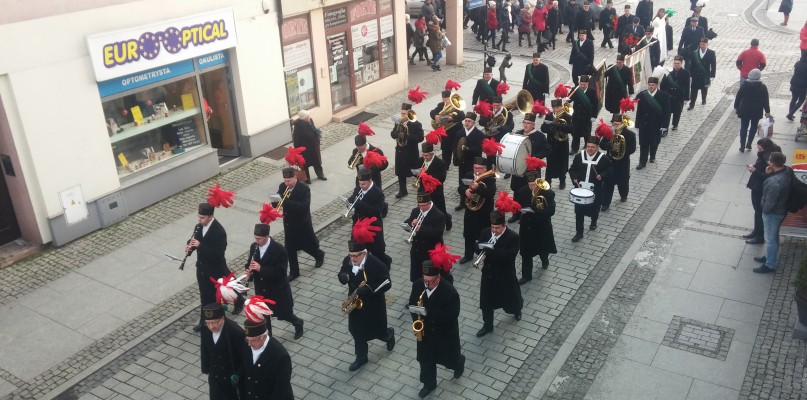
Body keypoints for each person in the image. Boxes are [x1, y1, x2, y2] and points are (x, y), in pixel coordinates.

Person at [408, 261, 465, 398]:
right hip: (425, 333)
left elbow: (452, 314)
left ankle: (459, 363)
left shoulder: (450, 292)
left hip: (444, 334)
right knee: (426, 359)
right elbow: (411, 304)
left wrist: (429, 313)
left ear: (438, 278)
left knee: (449, 359)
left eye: (429, 281)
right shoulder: (418, 285)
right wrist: (417, 320)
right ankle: (429, 384)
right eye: (425, 280)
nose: (426, 284)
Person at [338, 240, 395, 371]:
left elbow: (386, 282)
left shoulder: (377, 264)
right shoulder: (349, 260)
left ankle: (389, 335)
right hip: (355, 303)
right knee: (356, 330)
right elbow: (342, 271)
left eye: (355, 256)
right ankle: (361, 357)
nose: (352, 258)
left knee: (377, 330)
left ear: (363, 253)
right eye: (350, 255)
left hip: (373, 305)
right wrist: (343, 276)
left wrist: (368, 290)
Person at [246, 224, 305, 340]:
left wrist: (260, 269)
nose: (256, 241)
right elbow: (249, 263)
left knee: (284, 314)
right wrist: (250, 273)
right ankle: (269, 340)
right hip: (261, 290)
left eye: (259, 239)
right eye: (255, 238)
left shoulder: (279, 250)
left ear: (267, 236)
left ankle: (298, 323)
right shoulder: (254, 247)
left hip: (277, 290)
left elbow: (280, 272)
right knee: (264, 317)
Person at [475, 211, 523, 337]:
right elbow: (478, 246)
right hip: (489, 273)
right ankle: (488, 325)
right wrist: (479, 247)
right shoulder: (486, 232)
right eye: (493, 227)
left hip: (505, 273)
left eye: (497, 228)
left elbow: (510, 256)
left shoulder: (513, 237)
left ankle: (517, 310)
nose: (494, 230)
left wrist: (492, 250)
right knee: (486, 301)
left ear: (504, 225)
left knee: (511, 296)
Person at [274, 167, 325, 281]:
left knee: (307, 245)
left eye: (289, 181)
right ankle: (294, 272)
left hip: (302, 223)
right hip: (289, 223)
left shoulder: (304, 188)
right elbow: (278, 202)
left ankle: (319, 255)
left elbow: (303, 207)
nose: (286, 183)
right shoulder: (282, 186)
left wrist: (285, 202)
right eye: (285, 181)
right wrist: (275, 202)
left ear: (295, 177)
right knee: (290, 248)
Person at [188, 203, 233, 332]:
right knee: (204, 296)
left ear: (210, 216)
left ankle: (219, 320)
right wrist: (189, 247)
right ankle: (204, 322)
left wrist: (200, 246)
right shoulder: (199, 226)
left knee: (215, 297)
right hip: (202, 269)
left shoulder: (219, 232)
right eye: (199, 217)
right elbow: (194, 240)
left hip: (214, 270)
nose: (199, 220)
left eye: (202, 217)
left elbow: (218, 254)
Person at [515, 170, 557, 283]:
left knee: (543, 247)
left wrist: (536, 211)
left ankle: (544, 260)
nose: (532, 187)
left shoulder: (548, 192)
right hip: (526, 226)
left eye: (534, 185)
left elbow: (551, 210)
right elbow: (518, 205)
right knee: (525, 252)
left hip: (541, 225)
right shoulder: (523, 191)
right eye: (530, 185)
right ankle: (526, 275)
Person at [509, 113, 551, 223]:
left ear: (533, 125)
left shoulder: (539, 136)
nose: (526, 125)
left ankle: (527, 214)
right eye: (524, 123)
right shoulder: (518, 134)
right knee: (517, 192)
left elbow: (547, 149)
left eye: (528, 123)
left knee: (530, 192)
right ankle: (516, 213)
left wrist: (535, 158)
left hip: (532, 171)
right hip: (519, 169)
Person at [753, 152, 791, 273]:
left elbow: (770, 202)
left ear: (772, 163)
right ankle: (769, 257)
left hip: (773, 213)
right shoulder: (787, 171)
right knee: (774, 236)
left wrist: (764, 210)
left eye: (770, 160)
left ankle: (770, 264)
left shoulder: (774, 182)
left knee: (770, 239)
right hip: (781, 209)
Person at [569, 137, 611, 242]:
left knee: (595, 208)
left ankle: (594, 221)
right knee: (578, 211)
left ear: (597, 147)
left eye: (592, 147)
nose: (590, 149)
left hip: (595, 189)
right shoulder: (579, 156)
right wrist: (574, 178)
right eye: (588, 146)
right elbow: (572, 169)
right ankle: (579, 232)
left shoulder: (603, 158)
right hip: (580, 188)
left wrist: (602, 175)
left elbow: (610, 170)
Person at [241, 319, 294, 400]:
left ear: (264, 337)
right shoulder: (248, 344)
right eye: (247, 339)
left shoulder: (280, 356)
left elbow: (281, 387)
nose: (249, 344)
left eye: (253, 340)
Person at [348, 169, 392, 266]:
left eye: (364, 184)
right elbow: (353, 196)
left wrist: (360, 204)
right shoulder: (358, 188)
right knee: (357, 247)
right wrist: (350, 201)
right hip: (358, 224)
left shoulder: (378, 193)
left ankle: (386, 262)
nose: (361, 186)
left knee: (376, 251)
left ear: (370, 181)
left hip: (372, 226)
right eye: (360, 184)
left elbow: (377, 211)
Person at [200, 303, 244, 400]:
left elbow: (245, 358)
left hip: (230, 380)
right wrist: (205, 369)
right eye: (208, 323)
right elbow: (204, 348)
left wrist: (238, 375)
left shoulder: (236, 332)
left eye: (214, 322)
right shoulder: (205, 328)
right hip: (215, 378)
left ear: (222, 318)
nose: (211, 327)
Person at [744, 138, 782, 245]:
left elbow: (766, 177)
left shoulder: (769, 160)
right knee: (757, 211)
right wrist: (754, 167)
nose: (757, 150)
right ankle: (756, 231)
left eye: (760, 148)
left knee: (759, 211)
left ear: (765, 149)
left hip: (761, 189)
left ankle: (760, 237)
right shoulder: (764, 156)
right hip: (756, 187)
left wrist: (755, 170)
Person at [460, 157, 497, 263]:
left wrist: (479, 188)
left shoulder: (490, 178)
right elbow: (460, 187)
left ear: (485, 169)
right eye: (475, 168)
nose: (477, 170)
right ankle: (468, 255)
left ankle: (484, 254)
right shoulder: (468, 175)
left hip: (484, 213)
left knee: (484, 234)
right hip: (470, 212)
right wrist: (465, 191)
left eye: (480, 168)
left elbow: (490, 194)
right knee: (468, 235)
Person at [406, 192, 447, 282]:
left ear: (429, 203)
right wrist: (411, 223)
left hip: (430, 251)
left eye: (423, 205)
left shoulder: (439, 215)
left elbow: (437, 234)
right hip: (417, 250)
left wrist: (421, 228)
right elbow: (408, 221)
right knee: (417, 276)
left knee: (431, 277)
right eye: (419, 205)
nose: (421, 208)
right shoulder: (416, 211)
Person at [599, 114, 636, 210]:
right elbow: (602, 144)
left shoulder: (630, 135)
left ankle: (623, 195)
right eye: (614, 124)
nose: (615, 126)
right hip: (610, 162)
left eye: (617, 124)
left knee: (623, 181)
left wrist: (621, 151)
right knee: (607, 183)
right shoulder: (609, 132)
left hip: (622, 162)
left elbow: (632, 149)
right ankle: (605, 203)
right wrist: (609, 145)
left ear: (623, 123)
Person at [635, 77, 670, 168]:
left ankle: (653, 155)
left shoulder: (663, 95)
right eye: (649, 85)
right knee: (643, 143)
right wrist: (637, 124)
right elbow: (639, 111)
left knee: (654, 142)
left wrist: (665, 125)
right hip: (644, 124)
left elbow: (667, 112)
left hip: (656, 124)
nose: (651, 87)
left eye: (653, 85)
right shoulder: (643, 95)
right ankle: (642, 162)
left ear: (656, 85)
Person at [391, 103, 425, 198]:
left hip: (411, 152)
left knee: (415, 171)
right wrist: (396, 133)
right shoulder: (398, 122)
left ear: (409, 113)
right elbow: (393, 134)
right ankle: (403, 190)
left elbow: (420, 138)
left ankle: (421, 187)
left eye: (405, 113)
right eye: (402, 113)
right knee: (400, 172)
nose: (403, 115)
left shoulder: (416, 124)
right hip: (400, 151)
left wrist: (407, 136)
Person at [734, 69, 771, 152]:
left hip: (745, 109)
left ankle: (742, 145)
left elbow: (738, 97)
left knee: (744, 126)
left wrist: (736, 107)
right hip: (756, 110)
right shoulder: (762, 87)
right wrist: (767, 111)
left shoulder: (744, 85)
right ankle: (749, 143)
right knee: (754, 127)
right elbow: (766, 100)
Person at [416, 143, 451, 229]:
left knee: (440, 209)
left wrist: (426, 176)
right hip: (423, 190)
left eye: (427, 155)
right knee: (423, 208)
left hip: (436, 191)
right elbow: (416, 173)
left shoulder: (441, 163)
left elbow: (441, 179)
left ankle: (447, 219)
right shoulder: (420, 161)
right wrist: (417, 174)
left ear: (432, 154)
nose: (424, 157)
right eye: (423, 155)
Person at [455, 112, 485, 211]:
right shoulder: (459, 133)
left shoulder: (479, 134)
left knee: (472, 182)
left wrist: (467, 149)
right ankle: (462, 201)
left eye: (469, 121)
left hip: (472, 164)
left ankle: (472, 200)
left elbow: (478, 149)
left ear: (474, 123)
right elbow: (455, 147)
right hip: (462, 163)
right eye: (466, 121)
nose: (467, 123)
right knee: (462, 181)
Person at [542, 99, 574, 189]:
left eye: (557, 107)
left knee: (562, 164)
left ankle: (562, 181)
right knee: (550, 164)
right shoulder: (549, 115)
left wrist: (557, 125)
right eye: (554, 108)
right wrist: (551, 129)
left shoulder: (567, 116)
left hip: (562, 145)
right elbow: (543, 128)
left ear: (561, 107)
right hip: (551, 144)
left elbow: (571, 129)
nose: (556, 110)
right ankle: (548, 181)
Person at [430, 90, 465, 167]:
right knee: (446, 151)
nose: (445, 101)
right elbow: (432, 112)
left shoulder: (456, 105)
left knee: (456, 150)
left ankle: (458, 163)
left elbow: (462, 116)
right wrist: (435, 115)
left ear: (450, 98)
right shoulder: (441, 105)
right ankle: (445, 166)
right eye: (443, 99)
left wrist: (452, 118)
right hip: (445, 134)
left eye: (446, 99)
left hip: (456, 132)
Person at [292, 110, 326, 183]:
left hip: (314, 147)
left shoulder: (310, 120)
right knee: (305, 165)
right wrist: (297, 151)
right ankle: (307, 179)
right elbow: (296, 139)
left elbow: (314, 129)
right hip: (305, 149)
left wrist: (317, 139)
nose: (309, 117)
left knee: (317, 162)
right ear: (304, 118)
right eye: (307, 116)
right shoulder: (298, 127)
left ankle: (320, 175)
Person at [568, 74, 599, 154]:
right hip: (576, 116)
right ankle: (574, 149)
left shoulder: (592, 91)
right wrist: (567, 99)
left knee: (587, 134)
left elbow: (595, 104)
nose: (582, 86)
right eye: (581, 84)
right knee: (575, 134)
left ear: (587, 84)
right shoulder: (575, 89)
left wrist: (594, 116)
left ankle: (587, 146)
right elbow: (569, 100)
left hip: (587, 117)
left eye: (584, 84)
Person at [661, 55, 691, 131]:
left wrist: (686, 98)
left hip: (679, 96)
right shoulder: (669, 73)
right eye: (675, 63)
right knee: (667, 113)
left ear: (681, 64)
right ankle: (665, 126)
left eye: (678, 63)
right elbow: (663, 85)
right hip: (669, 96)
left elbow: (687, 86)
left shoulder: (685, 73)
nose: (676, 65)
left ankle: (675, 124)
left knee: (677, 112)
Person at [687, 37, 715, 110]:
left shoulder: (711, 53)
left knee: (704, 89)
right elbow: (691, 64)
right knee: (693, 90)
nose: (702, 45)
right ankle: (692, 104)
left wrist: (712, 75)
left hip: (705, 75)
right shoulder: (695, 53)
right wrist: (691, 74)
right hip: (696, 75)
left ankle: (704, 99)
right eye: (701, 44)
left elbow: (713, 65)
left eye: (704, 44)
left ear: (707, 44)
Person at [787, 55, 807, 121]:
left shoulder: (797, 63)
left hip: (794, 82)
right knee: (801, 99)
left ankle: (790, 113)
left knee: (794, 98)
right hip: (802, 85)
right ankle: (790, 114)